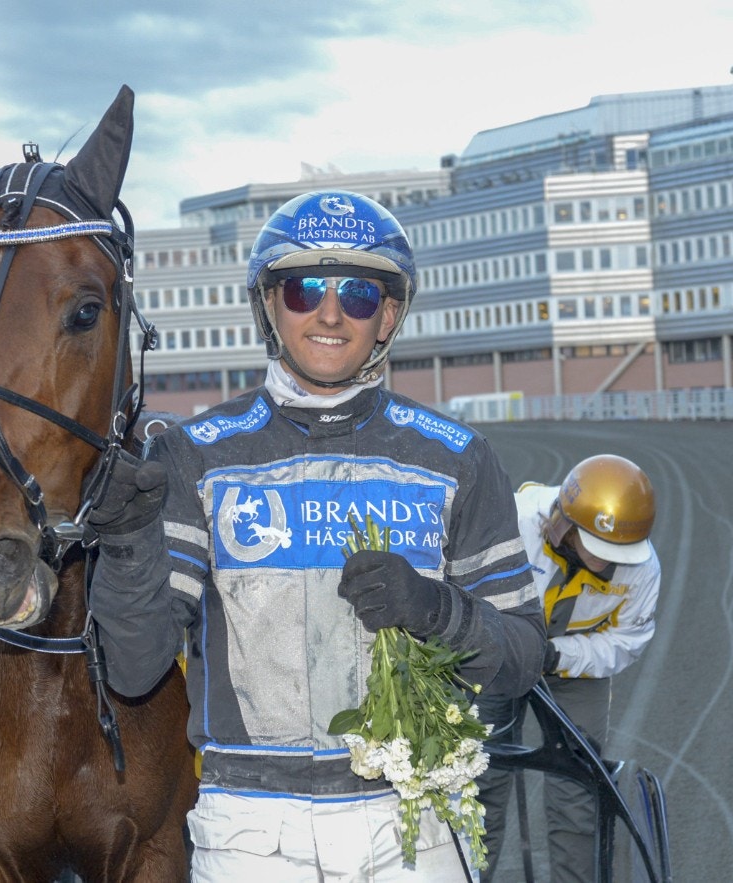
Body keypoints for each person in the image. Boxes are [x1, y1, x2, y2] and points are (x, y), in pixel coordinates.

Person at [85, 190, 546, 881]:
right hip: (250, 832)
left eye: (358, 293)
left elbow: (524, 656)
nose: (330, 313)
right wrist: (124, 545)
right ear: (270, 304)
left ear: (388, 314)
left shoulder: (457, 457)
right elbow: (134, 666)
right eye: (304, 289)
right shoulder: (193, 456)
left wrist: (436, 611)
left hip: (415, 823)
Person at [479, 454, 660, 883]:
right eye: (599, 549)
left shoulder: (643, 569)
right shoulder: (512, 521)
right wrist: (504, 645)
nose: (608, 562)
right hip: (498, 657)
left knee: (579, 789)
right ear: (564, 523)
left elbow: (627, 641)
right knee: (477, 778)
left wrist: (558, 656)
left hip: (576, 670)